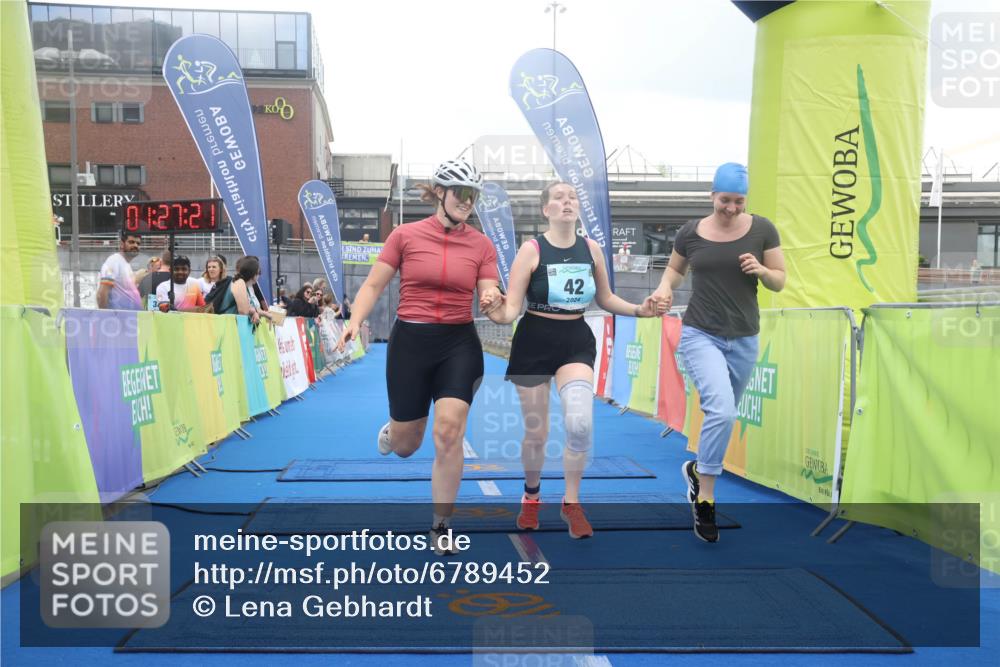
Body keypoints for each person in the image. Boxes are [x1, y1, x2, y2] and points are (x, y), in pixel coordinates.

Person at [337, 158, 503, 555]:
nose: (468, 202)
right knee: (407, 446)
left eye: (473, 196)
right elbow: (374, 284)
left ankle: (441, 525)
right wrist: (353, 320)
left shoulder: (481, 244)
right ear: (441, 193)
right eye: (461, 194)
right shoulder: (404, 235)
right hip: (411, 341)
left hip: (459, 344)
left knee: (448, 433)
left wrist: (492, 296)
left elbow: (488, 287)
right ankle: (394, 431)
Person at [486, 182, 664, 539]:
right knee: (537, 433)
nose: (567, 202)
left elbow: (606, 298)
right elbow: (511, 311)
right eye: (558, 198)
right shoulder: (531, 250)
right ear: (546, 210)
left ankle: (572, 502)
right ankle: (531, 495)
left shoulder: (592, 249)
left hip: (575, 341)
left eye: (572, 197)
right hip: (534, 341)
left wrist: (638, 310)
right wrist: (493, 311)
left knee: (580, 422)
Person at [651, 162, 786, 542]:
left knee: (726, 416)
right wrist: (664, 290)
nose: (731, 208)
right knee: (721, 409)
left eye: (738, 201)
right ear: (712, 196)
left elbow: (780, 280)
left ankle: (696, 471)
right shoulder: (690, 233)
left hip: (744, 337)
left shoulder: (763, 229)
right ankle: (706, 498)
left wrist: (761, 270)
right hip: (700, 333)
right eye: (725, 200)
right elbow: (674, 272)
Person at [97, 230, 147, 311]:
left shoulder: (125, 264)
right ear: (121, 244)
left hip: (128, 319)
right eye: (131, 242)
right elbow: (102, 293)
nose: (135, 245)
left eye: (138, 243)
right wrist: (105, 316)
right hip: (117, 320)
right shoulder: (114, 261)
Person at [216, 256, 271, 325]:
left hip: (232, 326)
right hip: (229, 326)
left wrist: (257, 312)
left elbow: (248, 308)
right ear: (253, 274)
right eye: (259, 273)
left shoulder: (247, 286)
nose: (259, 276)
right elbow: (244, 310)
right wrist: (257, 312)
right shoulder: (239, 282)